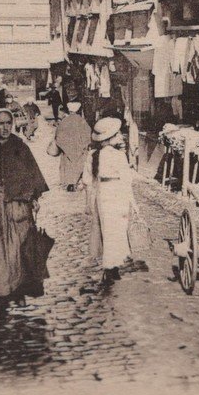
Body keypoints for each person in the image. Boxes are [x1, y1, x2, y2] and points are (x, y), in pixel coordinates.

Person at [0, 108, 49, 301]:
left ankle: (17, 287)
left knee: (17, 247)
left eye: (8, 123)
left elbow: (31, 173)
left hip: (15, 205)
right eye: (0, 123)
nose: (5, 128)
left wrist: (33, 198)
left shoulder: (20, 146)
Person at [86, 117, 139, 286]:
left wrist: (89, 202)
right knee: (118, 230)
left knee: (106, 230)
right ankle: (111, 267)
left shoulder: (93, 155)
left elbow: (89, 181)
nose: (121, 137)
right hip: (118, 194)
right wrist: (133, 203)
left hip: (102, 194)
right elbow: (127, 180)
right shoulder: (118, 155)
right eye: (118, 134)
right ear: (111, 137)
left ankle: (112, 267)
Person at [53, 101, 91, 191]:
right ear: (78, 110)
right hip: (79, 148)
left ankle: (69, 183)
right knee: (79, 165)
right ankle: (77, 182)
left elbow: (58, 134)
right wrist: (84, 145)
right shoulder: (82, 121)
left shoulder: (64, 121)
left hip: (67, 149)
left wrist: (64, 145)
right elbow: (87, 134)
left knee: (67, 166)